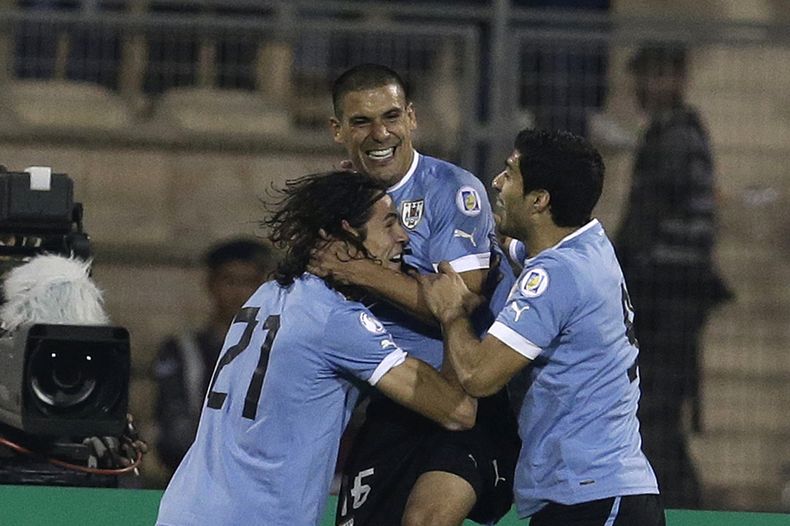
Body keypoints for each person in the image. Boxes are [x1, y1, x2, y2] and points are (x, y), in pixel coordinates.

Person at [155, 171, 477, 526]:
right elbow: (457, 411)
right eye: (388, 224)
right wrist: (452, 315)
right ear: (341, 238)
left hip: (186, 509)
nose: (403, 237)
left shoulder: (267, 295)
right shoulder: (334, 319)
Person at [419, 129, 665, 525]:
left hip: (590, 499)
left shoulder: (556, 276)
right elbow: (518, 248)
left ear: (539, 200)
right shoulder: (589, 246)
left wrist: (452, 313)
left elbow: (479, 377)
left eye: (510, 174)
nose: (497, 183)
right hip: (602, 493)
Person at [311, 63, 519, 526]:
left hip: (466, 394)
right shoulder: (338, 202)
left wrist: (359, 270)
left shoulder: (453, 190)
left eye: (390, 117)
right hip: (393, 399)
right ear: (337, 130)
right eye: (361, 121)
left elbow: (460, 304)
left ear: (411, 118)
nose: (379, 133)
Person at [614, 44, 731, 509]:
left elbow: (648, 219)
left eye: (660, 76)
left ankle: (679, 505)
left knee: (655, 408)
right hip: (669, 295)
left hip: (671, 297)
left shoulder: (676, 138)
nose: (648, 87)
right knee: (655, 409)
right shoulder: (670, 135)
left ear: (679, 80)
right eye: (645, 76)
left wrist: (617, 269)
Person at [152, 237, 274, 475]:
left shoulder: (275, 350)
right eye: (229, 281)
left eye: (249, 282)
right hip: (195, 475)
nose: (239, 293)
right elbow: (173, 428)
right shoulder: (182, 350)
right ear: (211, 283)